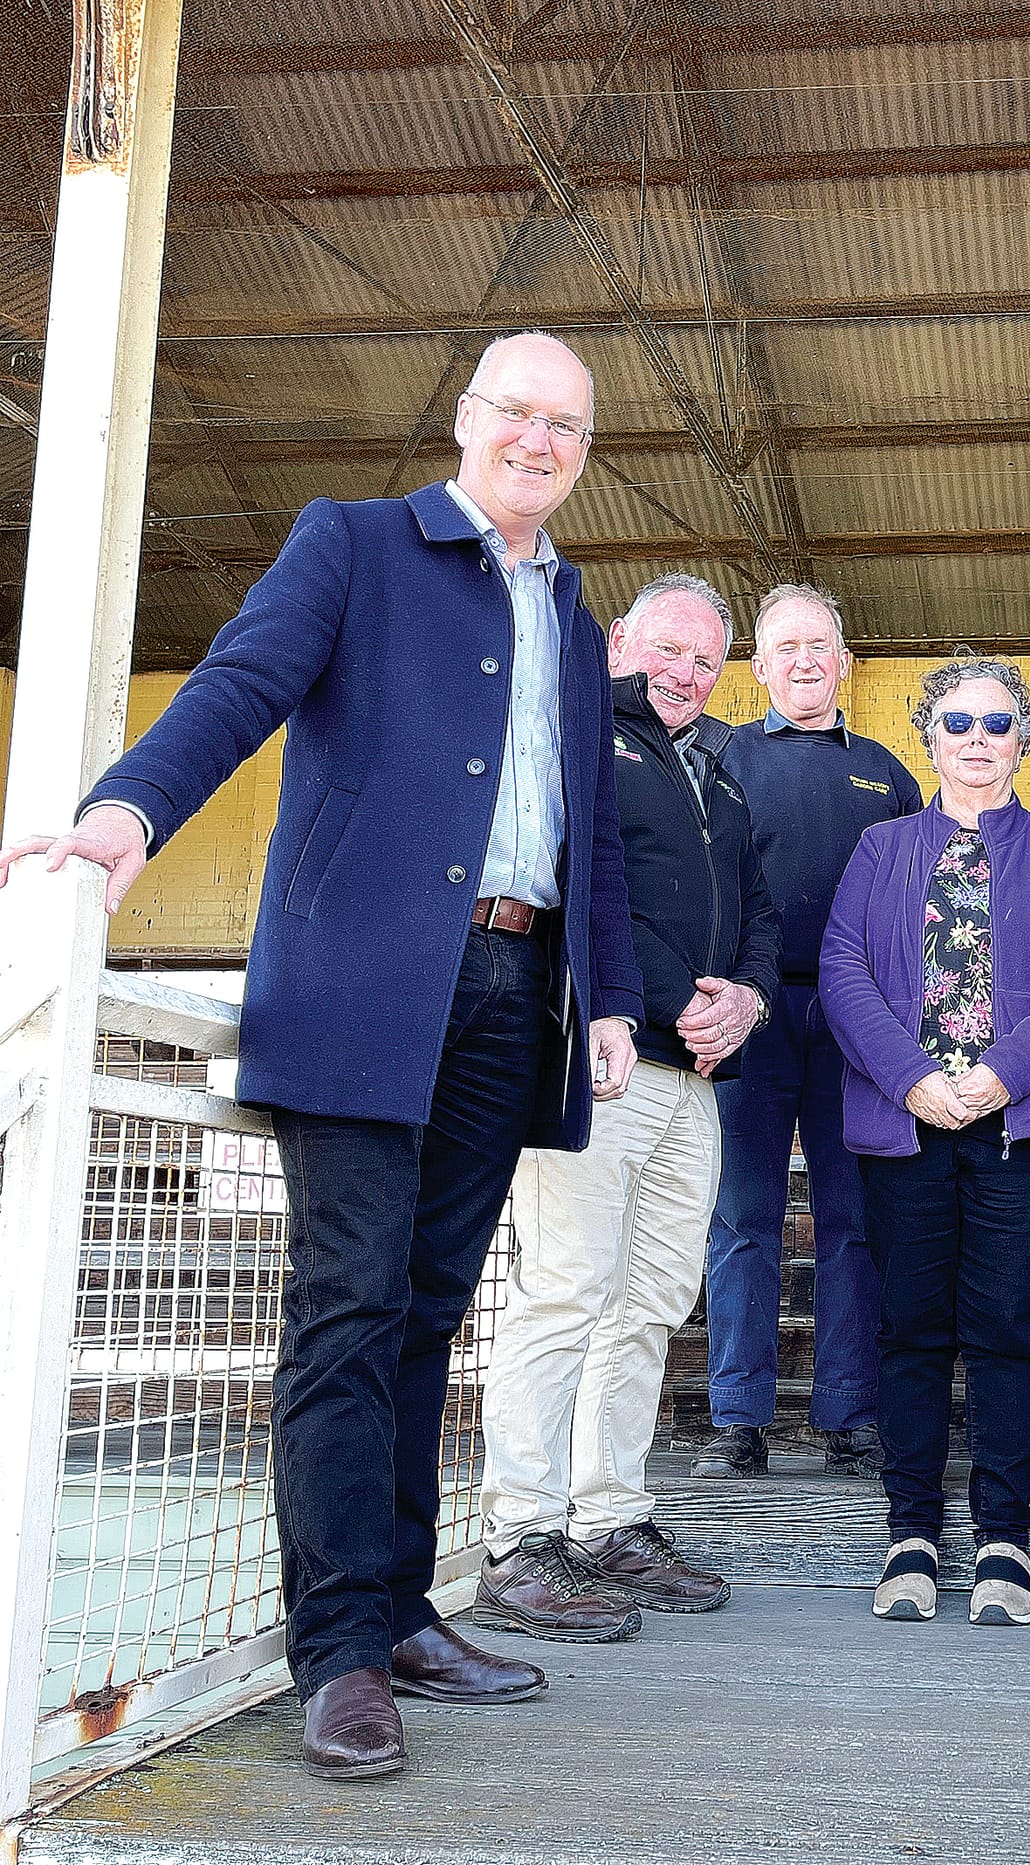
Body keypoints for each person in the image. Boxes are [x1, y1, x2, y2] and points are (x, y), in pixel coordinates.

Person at [0, 332, 643, 1780]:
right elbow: (240, 685)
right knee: (348, 1307)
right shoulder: (354, 544)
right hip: (365, 983)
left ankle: (405, 1606)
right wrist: (126, 814)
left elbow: (586, 828)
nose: (539, 441)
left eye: (568, 427)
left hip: (513, 982)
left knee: (430, 1313)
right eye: (518, 414)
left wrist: (608, 991)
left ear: (583, 455)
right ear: (469, 421)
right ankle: (341, 1649)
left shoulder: (578, 618)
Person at [475, 573, 780, 1638]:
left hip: (691, 1077)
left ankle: (609, 1517)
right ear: (619, 641)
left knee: (648, 1300)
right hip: (595, 1061)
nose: (684, 673)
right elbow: (574, 892)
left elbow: (759, 918)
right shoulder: (574, 734)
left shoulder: (724, 774)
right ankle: (519, 1537)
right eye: (667, 649)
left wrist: (745, 998)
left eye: (704, 658)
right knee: (564, 1290)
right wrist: (646, 1002)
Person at [820, 660, 1030, 1627]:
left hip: (1016, 1126)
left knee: (1004, 1322)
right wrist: (913, 1077)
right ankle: (911, 1530)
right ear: (929, 736)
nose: (978, 737)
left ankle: (1003, 1536)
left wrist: (999, 1078)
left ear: (1022, 737)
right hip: (905, 1124)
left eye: (997, 721)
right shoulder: (879, 845)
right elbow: (842, 967)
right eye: (958, 721)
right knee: (909, 1325)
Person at [696, 585, 923, 1479]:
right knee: (741, 1217)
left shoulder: (886, 771)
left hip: (857, 1021)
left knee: (852, 1220)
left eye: (819, 646)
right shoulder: (722, 757)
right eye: (785, 647)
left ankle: (849, 1414)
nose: (803, 661)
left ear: (844, 662)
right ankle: (737, 1418)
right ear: (760, 665)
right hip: (749, 1013)